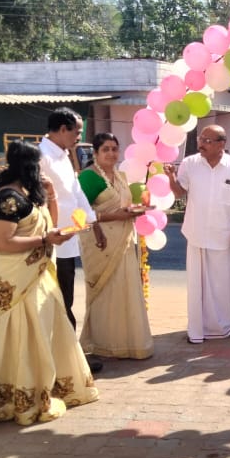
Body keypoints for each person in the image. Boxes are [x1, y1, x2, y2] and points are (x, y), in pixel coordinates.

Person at [0, 140, 99, 425]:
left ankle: (48, 384)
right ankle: (24, 394)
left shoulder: (29, 194)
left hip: (40, 273)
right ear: (28, 167)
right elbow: (3, 242)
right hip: (18, 278)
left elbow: (49, 225)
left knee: (46, 329)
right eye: (37, 166)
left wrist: (53, 197)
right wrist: (45, 240)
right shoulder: (9, 198)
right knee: (26, 332)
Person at [165, 125, 230, 344]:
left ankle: (229, 325)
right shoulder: (190, 164)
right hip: (196, 233)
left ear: (222, 144)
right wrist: (172, 178)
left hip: (224, 233)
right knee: (197, 284)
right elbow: (179, 193)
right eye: (200, 139)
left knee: (224, 283)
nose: (201, 143)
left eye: (207, 140)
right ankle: (197, 328)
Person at [76, 133, 153, 359]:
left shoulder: (120, 176)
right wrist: (112, 217)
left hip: (125, 240)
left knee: (127, 289)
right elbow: (81, 214)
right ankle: (103, 344)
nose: (111, 153)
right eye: (106, 149)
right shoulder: (89, 177)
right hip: (101, 243)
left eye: (114, 149)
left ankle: (128, 342)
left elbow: (123, 206)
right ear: (96, 153)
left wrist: (134, 211)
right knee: (106, 292)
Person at [38, 108, 101, 370]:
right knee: (56, 300)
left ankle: (68, 356)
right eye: (77, 131)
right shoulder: (41, 157)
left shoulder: (63, 155)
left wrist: (93, 222)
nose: (79, 136)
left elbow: (76, 192)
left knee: (66, 298)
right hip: (51, 239)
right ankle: (59, 359)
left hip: (68, 238)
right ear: (62, 130)